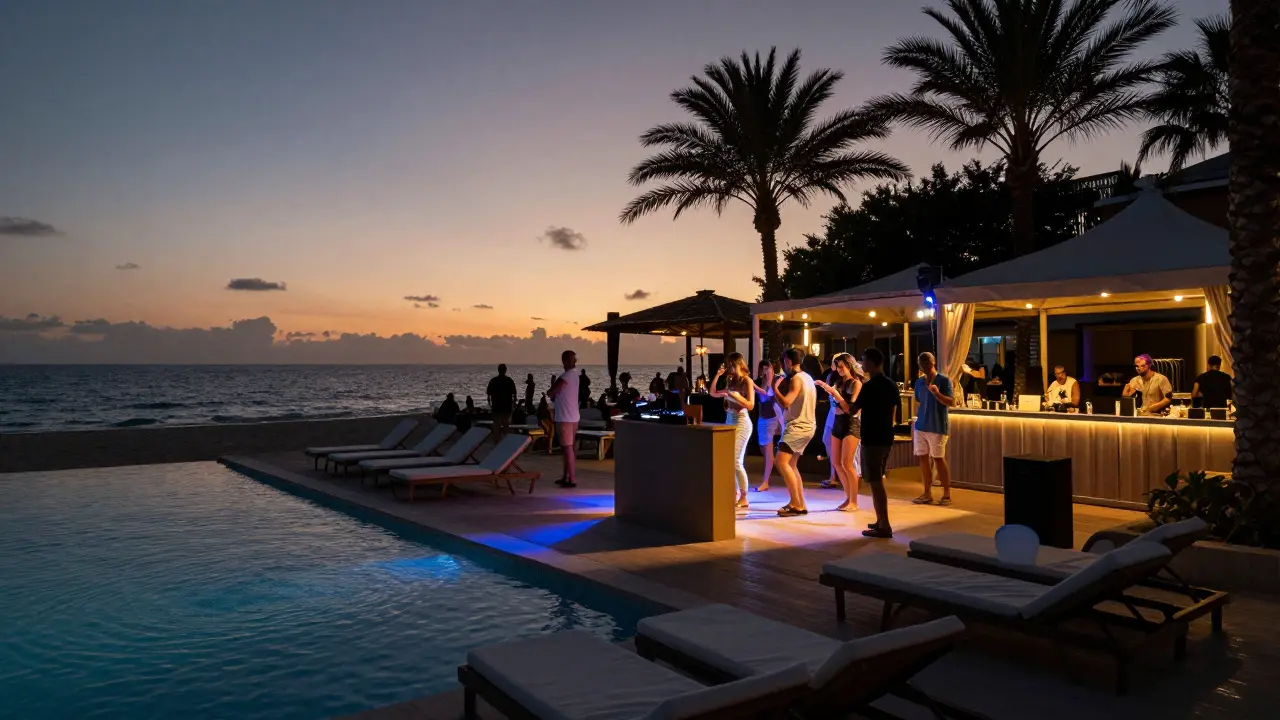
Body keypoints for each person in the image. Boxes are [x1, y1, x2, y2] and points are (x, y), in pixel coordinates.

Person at [848, 347, 898, 538]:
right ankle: (880, 520)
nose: (861, 364)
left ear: (870, 363)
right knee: (878, 479)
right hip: (885, 436)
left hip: (872, 437)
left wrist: (840, 401)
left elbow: (853, 409)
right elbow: (893, 412)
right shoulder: (890, 384)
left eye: (863, 361)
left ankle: (884, 524)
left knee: (875, 482)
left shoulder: (869, 386)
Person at [816, 353, 863, 513]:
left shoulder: (856, 383)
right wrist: (827, 388)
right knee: (836, 462)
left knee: (847, 463)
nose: (839, 369)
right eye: (837, 366)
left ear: (849, 365)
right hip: (837, 422)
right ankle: (848, 497)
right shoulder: (837, 381)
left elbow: (850, 409)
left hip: (850, 424)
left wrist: (834, 394)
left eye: (842, 366)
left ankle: (854, 501)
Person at [772, 347, 816, 517]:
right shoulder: (808, 377)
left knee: (781, 462)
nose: (783, 366)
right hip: (807, 426)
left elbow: (786, 402)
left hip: (798, 427)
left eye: (784, 362)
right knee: (791, 464)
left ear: (789, 362)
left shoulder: (796, 379)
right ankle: (800, 503)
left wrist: (774, 388)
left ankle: (795, 504)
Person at [710, 353, 756, 509]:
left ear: (739, 364)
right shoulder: (731, 381)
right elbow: (713, 393)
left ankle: (744, 496)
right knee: (731, 460)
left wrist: (737, 397)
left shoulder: (747, 381)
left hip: (742, 421)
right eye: (728, 365)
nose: (730, 368)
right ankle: (734, 493)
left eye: (731, 365)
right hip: (729, 420)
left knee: (735, 460)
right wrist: (717, 376)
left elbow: (750, 405)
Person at [912, 352, 955, 506]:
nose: (924, 365)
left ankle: (946, 494)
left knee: (938, 459)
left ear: (934, 362)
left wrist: (937, 394)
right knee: (922, 458)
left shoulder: (944, 381)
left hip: (937, 426)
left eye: (927, 361)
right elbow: (918, 400)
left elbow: (951, 402)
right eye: (921, 362)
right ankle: (926, 493)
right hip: (921, 425)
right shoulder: (919, 383)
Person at [547, 350, 581, 488]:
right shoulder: (575, 375)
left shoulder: (565, 377)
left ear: (564, 360)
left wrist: (552, 384)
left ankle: (571, 478)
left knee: (567, 448)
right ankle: (566, 476)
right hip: (573, 416)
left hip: (564, 417)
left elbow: (551, 392)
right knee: (569, 448)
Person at [751, 360, 783, 492]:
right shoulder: (759, 381)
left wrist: (767, 381)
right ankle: (783, 471)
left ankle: (765, 481)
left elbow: (767, 396)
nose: (765, 371)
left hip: (772, 415)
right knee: (763, 448)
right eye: (763, 369)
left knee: (768, 449)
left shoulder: (777, 380)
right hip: (762, 416)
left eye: (767, 368)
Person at [819, 365, 841, 490]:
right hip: (832, 413)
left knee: (833, 442)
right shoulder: (831, 378)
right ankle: (833, 474)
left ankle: (835, 476)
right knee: (827, 440)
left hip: (838, 414)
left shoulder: (842, 383)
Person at [485, 364, 518, 438]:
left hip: (496, 407)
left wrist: (490, 405)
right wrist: (513, 405)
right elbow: (514, 395)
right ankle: (505, 441)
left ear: (498, 370)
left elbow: (488, 396)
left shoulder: (493, 381)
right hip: (506, 407)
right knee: (506, 425)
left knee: (496, 425)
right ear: (505, 370)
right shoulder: (509, 380)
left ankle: (497, 441)